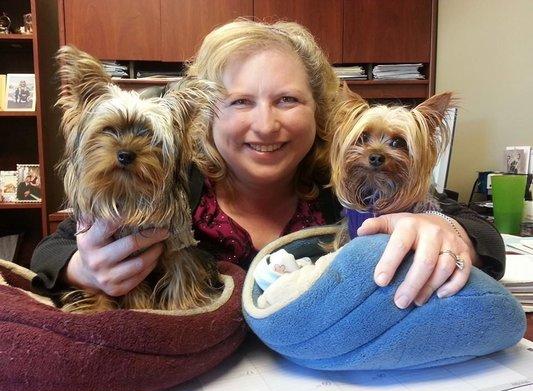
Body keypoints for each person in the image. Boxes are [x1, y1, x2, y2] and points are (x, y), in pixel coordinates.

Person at [30, 19, 504, 310]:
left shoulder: (346, 184)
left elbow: (479, 232)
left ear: (321, 114)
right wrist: (82, 269)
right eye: (239, 101)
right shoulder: (176, 184)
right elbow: (50, 251)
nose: (266, 123)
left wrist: (446, 232)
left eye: (287, 99)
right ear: (202, 116)